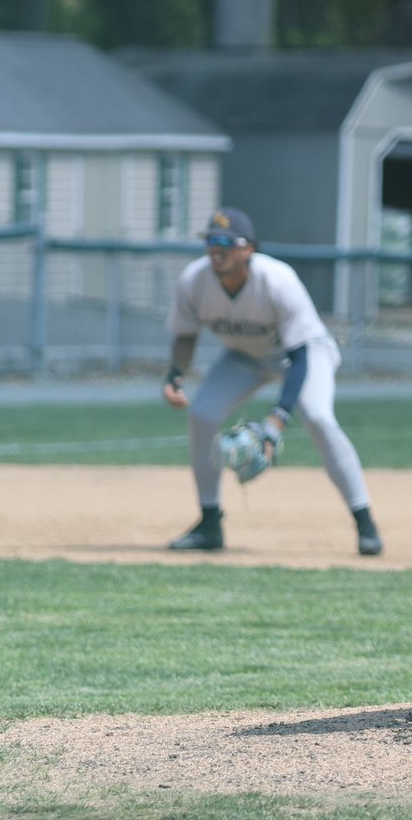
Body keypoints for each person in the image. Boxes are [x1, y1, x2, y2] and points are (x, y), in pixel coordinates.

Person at [162, 206, 384, 557]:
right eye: (211, 241)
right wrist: (175, 375)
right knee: (202, 414)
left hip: (305, 354)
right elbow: (185, 335)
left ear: (249, 248)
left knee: (319, 419)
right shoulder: (194, 281)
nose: (217, 249)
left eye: (226, 242)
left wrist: (277, 419)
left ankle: (365, 522)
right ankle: (209, 524)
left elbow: (298, 358)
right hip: (244, 357)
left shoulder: (278, 280)